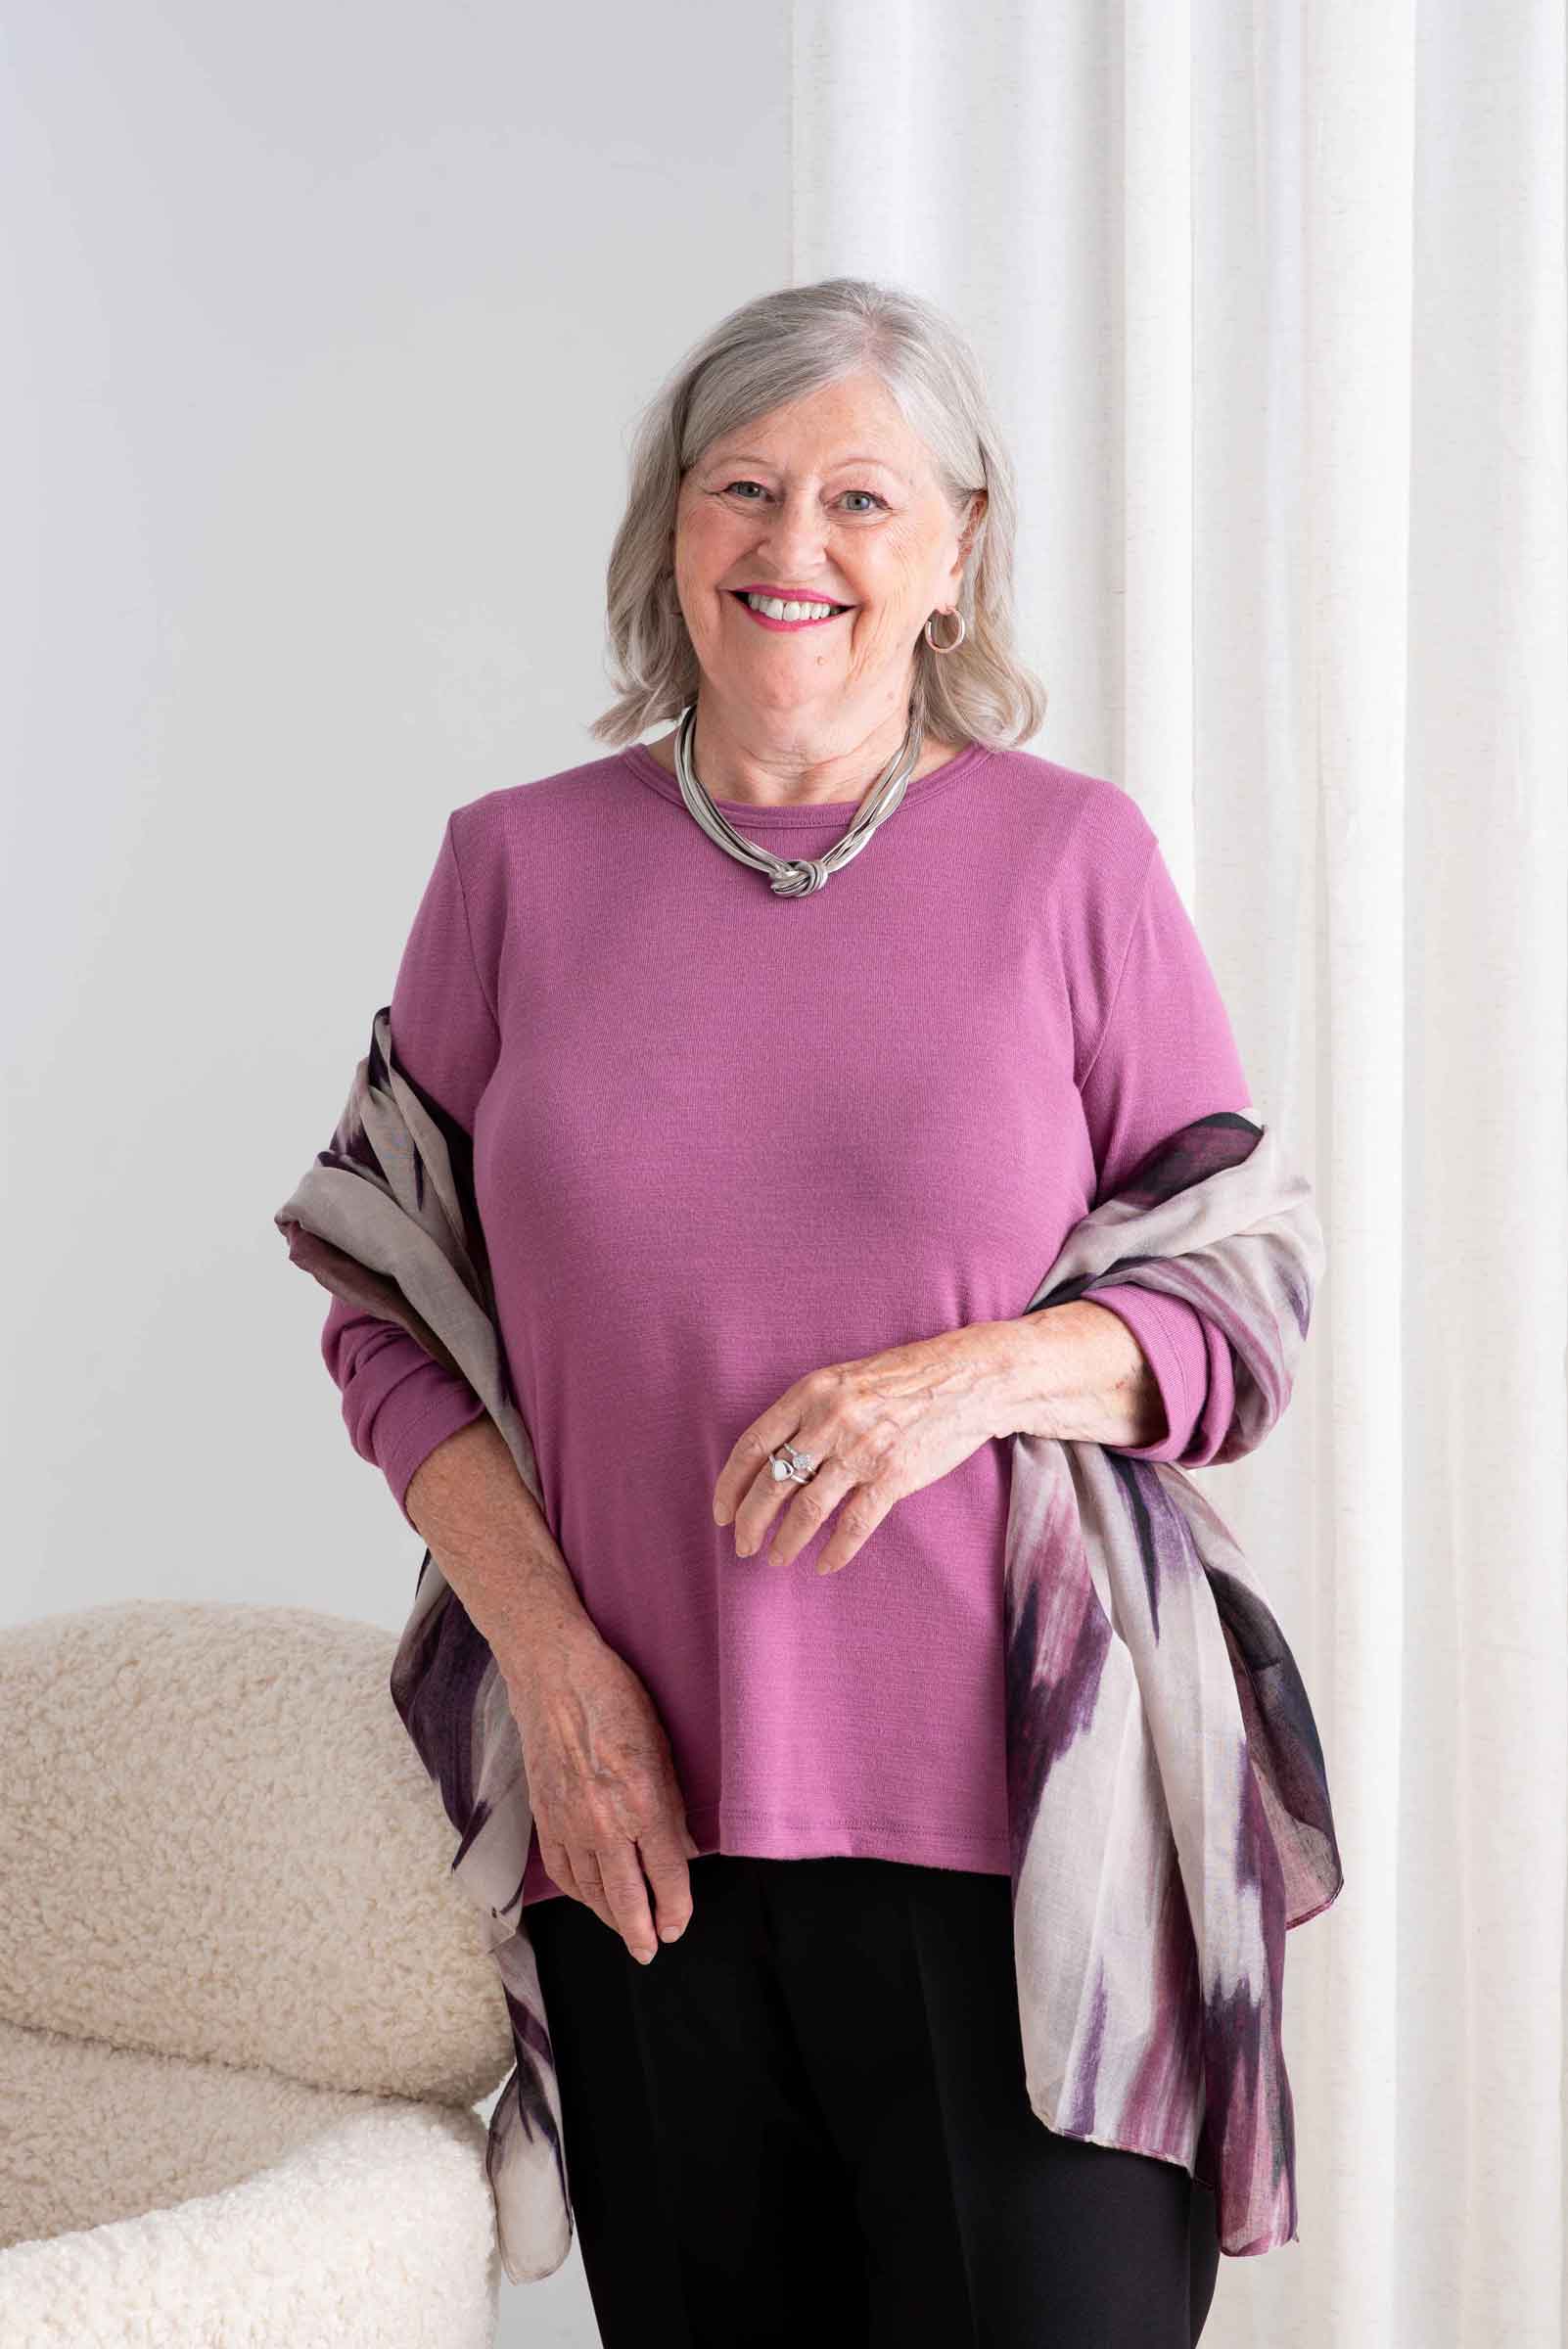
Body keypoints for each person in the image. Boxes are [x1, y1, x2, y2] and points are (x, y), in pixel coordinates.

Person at [320, 277, 1240, 2345]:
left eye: (859, 497)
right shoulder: (515, 871)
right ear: (673, 526)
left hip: (1028, 1836)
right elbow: (385, 1308)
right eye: (741, 487)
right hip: (640, 1833)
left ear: (957, 550)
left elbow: (1231, 1289)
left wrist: (968, 1382)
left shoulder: (1072, 861)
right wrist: (554, 1670)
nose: (792, 544)